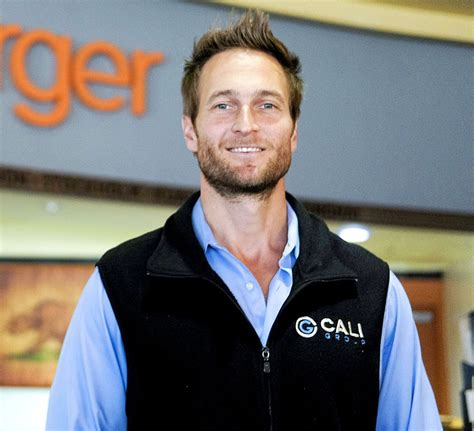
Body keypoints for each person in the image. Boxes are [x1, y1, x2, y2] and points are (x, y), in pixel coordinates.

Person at [46, 10, 441, 431]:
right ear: (190, 131)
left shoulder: (372, 290)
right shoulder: (120, 285)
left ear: (293, 131)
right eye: (223, 105)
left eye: (267, 105)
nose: (246, 125)